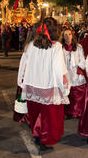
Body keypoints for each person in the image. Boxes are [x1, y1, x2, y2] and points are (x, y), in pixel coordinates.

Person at [17, 17, 70, 151]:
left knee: (35, 113)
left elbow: (23, 66)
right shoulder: (56, 47)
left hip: (32, 86)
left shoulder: (30, 46)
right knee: (48, 118)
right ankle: (43, 138)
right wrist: (65, 86)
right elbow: (59, 69)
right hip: (48, 86)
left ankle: (36, 135)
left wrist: (21, 83)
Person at [61, 28, 86, 118]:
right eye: (65, 35)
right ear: (63, 37)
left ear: (72, 35)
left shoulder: (78, 47)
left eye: (69, 34)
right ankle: (68, 112)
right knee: (68, 92)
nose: (68, 37)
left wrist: (79, 69)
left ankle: (78, 112)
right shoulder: (61, 48)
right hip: (66, 73)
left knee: (77, 93)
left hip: (76, 72)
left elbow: (83, 60)